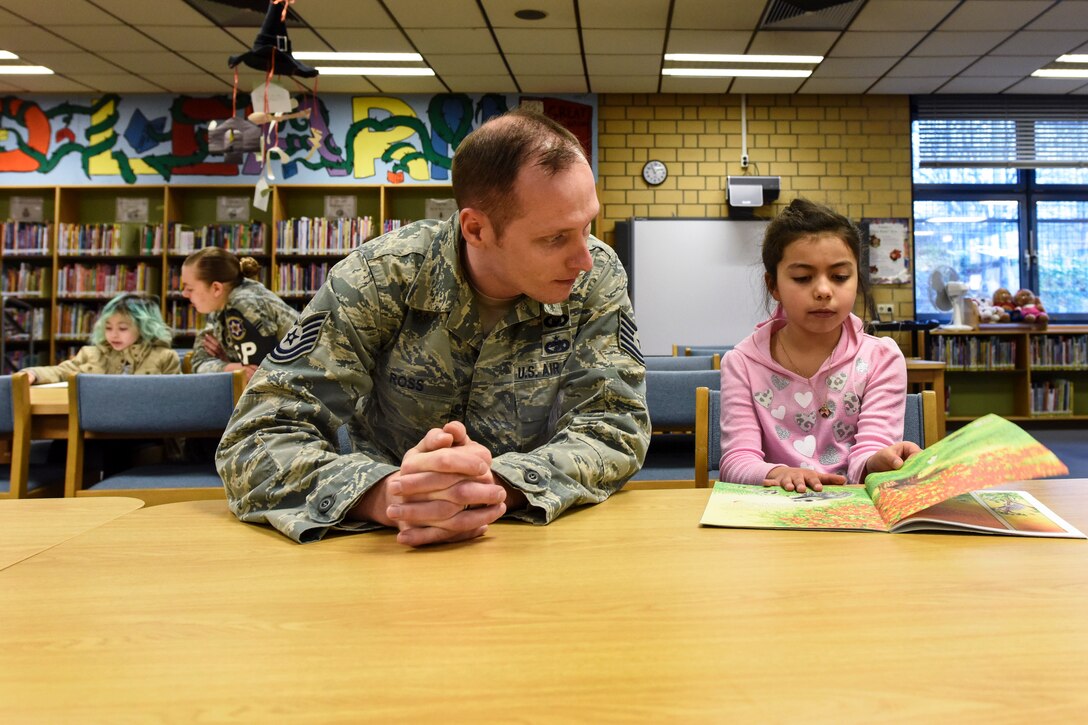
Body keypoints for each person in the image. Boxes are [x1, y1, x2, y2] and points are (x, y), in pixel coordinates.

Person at [216, 107, 650, 546]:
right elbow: (254, 438)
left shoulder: (596, 276)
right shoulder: (379, 277)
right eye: (554, 237)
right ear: (476, 228)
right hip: (384, 541)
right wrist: (388, 495)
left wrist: (498, 486)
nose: (584, 257)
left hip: (528, 534)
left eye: (587, 225)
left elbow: (615, 423)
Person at [719, 198, 919, 494]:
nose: (824, 291)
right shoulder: (743, 363)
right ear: (773, 285)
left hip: (854, 513)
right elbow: (737, 460)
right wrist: (781, 472)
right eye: (803, 278)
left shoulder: (881, 358)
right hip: (772, 515)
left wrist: (879, 460)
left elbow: (870, 449)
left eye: (840, 277)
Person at [180, 248, 297, 382]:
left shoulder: (244, 304)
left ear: (216, 288)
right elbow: (199, 362)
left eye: (189, 288)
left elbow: (257, 377)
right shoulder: (219, 304)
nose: (184, 294)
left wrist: (229, 364)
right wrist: (231, 367)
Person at [23, 292, 179, 383]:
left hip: (144, 429)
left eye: (123, 328)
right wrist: (33, 374)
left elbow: (175, 402)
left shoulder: (165, 357)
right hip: (97, 427)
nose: (113, 334)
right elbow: (60, 372)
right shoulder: (90, 354)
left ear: (144, 328)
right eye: (108, 327)